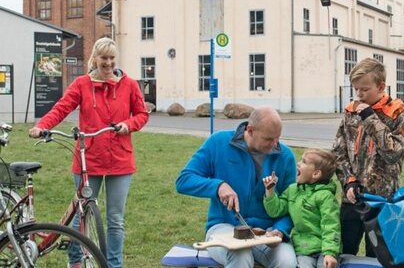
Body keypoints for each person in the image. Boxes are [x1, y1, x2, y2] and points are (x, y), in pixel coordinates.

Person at [29, 37, 149, 268]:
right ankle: (75, 260)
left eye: (112, 58)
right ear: (95, 58)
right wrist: (43, 126)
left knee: (116, 219)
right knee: (81, 215)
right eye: (104, 58)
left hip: (120, 159)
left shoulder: (129, 85)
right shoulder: (82, 84)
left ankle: (113, 264)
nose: (108, 63)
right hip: (89, 158)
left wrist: (129, 125)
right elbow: (62, 107)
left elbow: (142, 114)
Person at [176, 106, 297, 268]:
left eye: (278, 138)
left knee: (287, 262)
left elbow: (292, 204)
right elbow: (184, 180)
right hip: (223, 227)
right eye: (268, 139)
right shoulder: (218, 142)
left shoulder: (286, 156)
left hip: (267, 232)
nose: (275, 144)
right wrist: (218, 186)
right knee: (240, 255)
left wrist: (279, 231)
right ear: (250, 130)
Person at [332, 57, 404, 257]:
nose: (359, 94)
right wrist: (348, 181)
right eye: (356, 89)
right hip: (352, 199)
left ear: (381, 86)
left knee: (377, 254)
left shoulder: (396, 113)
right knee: (344, 251)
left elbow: (393, 154)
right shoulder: (351, 112)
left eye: (364, 89)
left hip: (381, 200)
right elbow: (339, 151)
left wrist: (369, 117)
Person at [263, 149, 340, 268]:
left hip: (324, 250)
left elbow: (331, 226)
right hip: (303, 250)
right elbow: (276, 211)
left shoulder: (325, 196)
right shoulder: (293, 190)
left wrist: (330, 253)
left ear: (315, 174)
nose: (298, 163)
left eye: (304, 162)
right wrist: (270, 191)